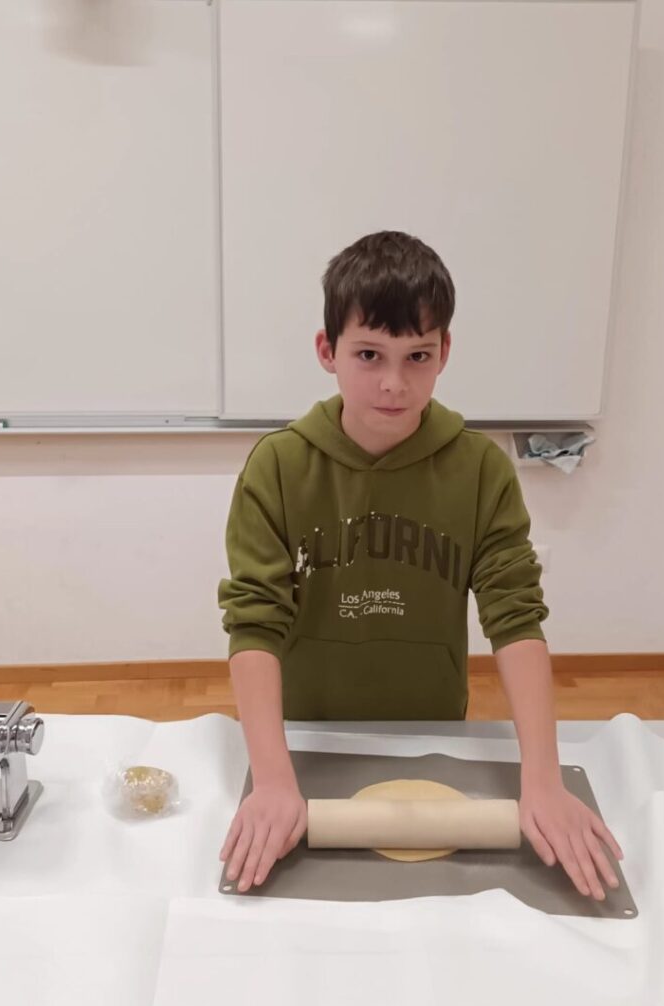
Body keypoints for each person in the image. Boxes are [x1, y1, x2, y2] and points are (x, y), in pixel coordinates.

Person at [217, 230, 623, 899]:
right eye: (368, 354)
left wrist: (543, 780)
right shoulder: (278, 466)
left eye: (417, 356)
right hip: (307, 732)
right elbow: (254, 622)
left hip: (434, 729)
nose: (393, 383)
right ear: (327, 351)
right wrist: (273, 778)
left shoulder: (481, 469)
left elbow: (516, 618)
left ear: (444, 353)